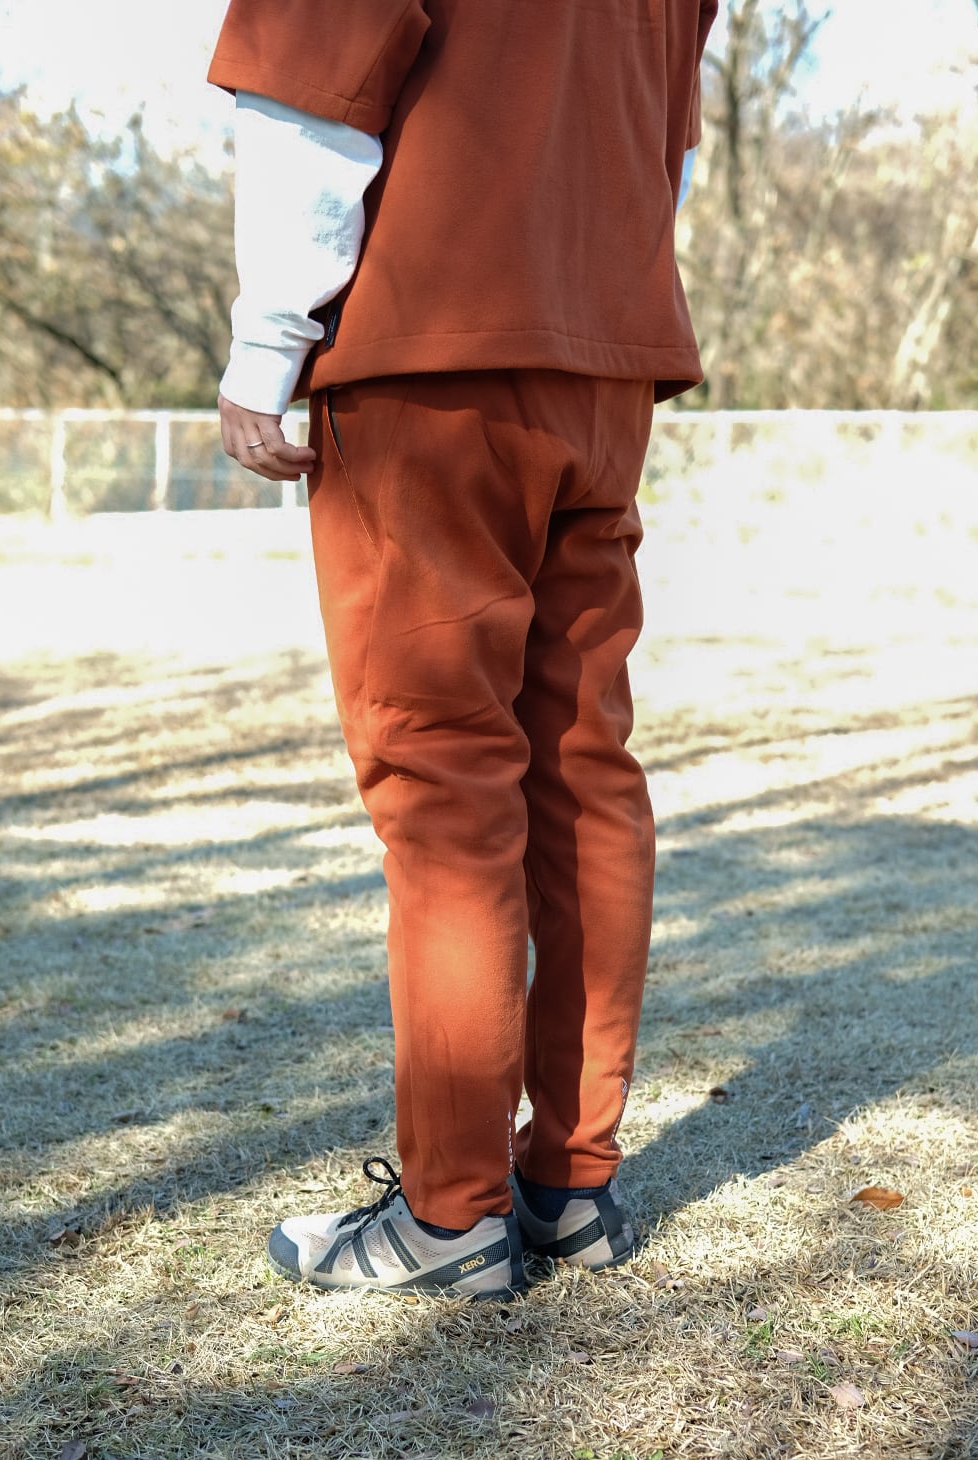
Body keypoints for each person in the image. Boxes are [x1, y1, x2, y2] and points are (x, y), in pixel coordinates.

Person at [211, 0, 718, 1299]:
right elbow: (664, 144)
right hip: (603, 363)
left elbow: (311, 92)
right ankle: (572, 1185)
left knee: (444, 783)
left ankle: (450, 1218)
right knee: (583, 773)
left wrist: (267, 344)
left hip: (432, 348)